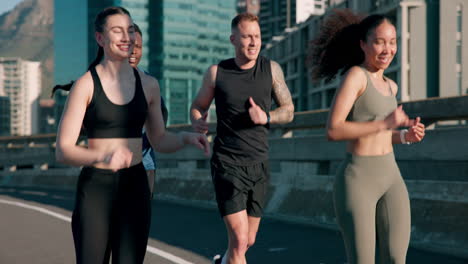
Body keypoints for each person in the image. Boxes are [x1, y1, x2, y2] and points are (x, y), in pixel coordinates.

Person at [55, 6, 209, 264]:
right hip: (96, 189)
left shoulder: (149, 85)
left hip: (135, 186)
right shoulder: (85, 85)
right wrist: (102, 156)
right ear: (100, 38)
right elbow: (63, 149)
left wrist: (185, 138)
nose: (126, 37)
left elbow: (159, 139)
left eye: (129, 30)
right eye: (117, 31)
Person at [309, 9, 425, 264]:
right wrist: (384, 123)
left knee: (396, 257)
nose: (387, 49)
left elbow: (381, 135)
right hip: (358, 180)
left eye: (392, 42)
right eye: (379, 41)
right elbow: (334, 129)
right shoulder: (356, 77)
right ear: (363, 44)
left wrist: (405, 136)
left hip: (391, 176)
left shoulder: (391, 86)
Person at [190, 13, 294, 264]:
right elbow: (198, 106)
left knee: (248, 241)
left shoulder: (271, 69)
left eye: (257, 36)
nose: (253, 42)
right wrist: (198, 121)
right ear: (233, 39)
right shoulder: (217, 73)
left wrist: (265, 117)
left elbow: (289, 110)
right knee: (238, 239)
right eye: (247, 36)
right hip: (227, 163)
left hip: (258, 164)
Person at [129, 23, 169, 197]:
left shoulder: (149, 82)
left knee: (140, 220)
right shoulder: (102, 81)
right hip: (110, 167)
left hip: (145, 164)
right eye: (129, 46)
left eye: (138, 46)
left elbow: (161, 118)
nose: (133, 51)